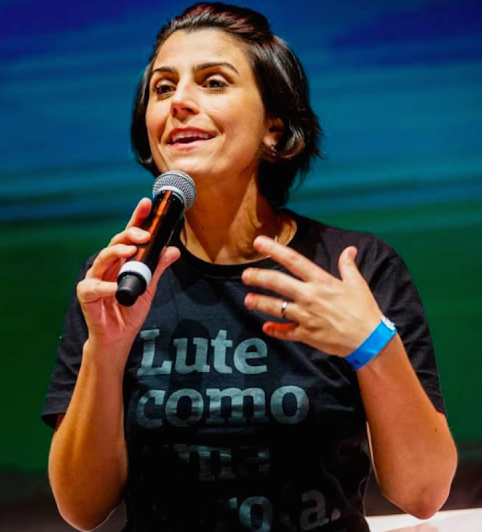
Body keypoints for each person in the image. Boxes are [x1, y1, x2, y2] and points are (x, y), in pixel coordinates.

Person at [42, 3, 457, 531]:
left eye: (213, 82)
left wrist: (370, 343)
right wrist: (107, 348)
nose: (180, 104)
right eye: (163, 89)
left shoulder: (358, 267)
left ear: (275, 129)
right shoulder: (120, 277)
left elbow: (422, 493)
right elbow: (82, 508)